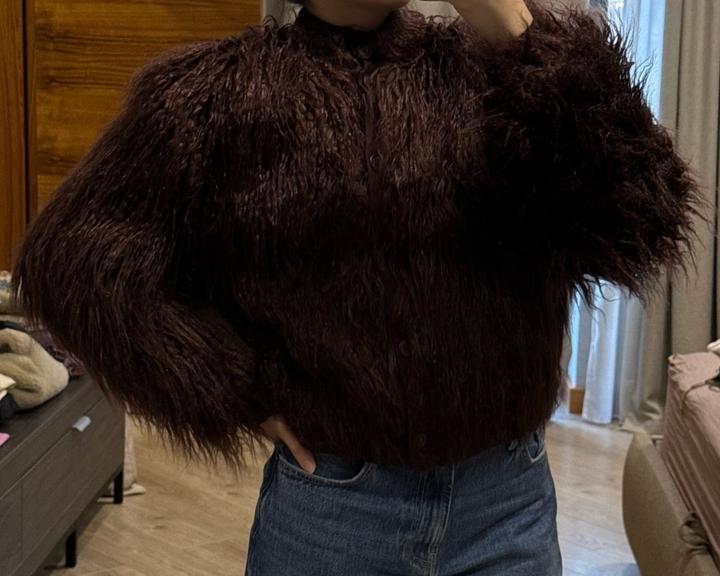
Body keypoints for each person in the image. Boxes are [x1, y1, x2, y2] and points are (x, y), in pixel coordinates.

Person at [11, 0, 705, 573]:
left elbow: (644, 216)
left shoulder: (488, 74)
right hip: (334, 510)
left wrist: (517, 32)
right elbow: (74, 261)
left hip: (507, 501)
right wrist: (232, 389)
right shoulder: (215, 95)